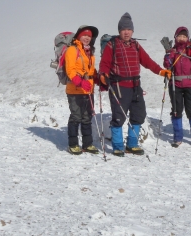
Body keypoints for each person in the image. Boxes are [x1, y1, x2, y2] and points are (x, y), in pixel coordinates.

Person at [99, 12, 171, 157]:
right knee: (119, 116)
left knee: (139, 114)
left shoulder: (136, 45)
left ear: (132, 31)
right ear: (119, 31)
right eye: (123, 30)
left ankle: (132, 144)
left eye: (129, 29)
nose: (126, 32)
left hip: (135, 86)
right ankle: (118, 146)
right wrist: (103, 75)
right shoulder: (112, 45)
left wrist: (161, 72)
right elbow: (105, 64)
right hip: (119, 86)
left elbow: (147, 61)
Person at [161, 27, 191, 148]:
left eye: (184, 36)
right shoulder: (173, 50)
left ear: (188, 38)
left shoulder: (190, 50)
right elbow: (167, 64)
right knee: (176, 111)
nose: (182, 38)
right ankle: (177, 138)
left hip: (190, 84)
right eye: (180, 36)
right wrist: (168, 52)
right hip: (175, 85)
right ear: (175, 37)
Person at [65, 25, 99, 155]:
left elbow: (90, 70)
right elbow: (70, 70)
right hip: (74, 90)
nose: (87, 38)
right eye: (85, 35)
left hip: (88, 90)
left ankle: (87, 144)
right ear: (79, 36)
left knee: (87, 117)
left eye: (89, 36)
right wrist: (80, 82)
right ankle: (73, 144)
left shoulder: (89, 51)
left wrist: (97, 79)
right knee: (76, 117)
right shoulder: (72, 50)